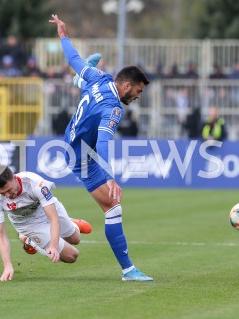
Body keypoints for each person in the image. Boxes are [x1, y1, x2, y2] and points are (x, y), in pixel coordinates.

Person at [49, 14, 153, 282]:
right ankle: (128, 270)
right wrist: (109, 176)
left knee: (84, 74)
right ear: (127, 85)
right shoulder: (114, 108)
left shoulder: (101, 77)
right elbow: (104, 142)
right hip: (81, 154)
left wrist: (63, 34)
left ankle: (79, 84)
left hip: (72, 138)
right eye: (138, 92)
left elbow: (74, 60)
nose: (138, 97)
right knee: (113, 208)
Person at [0, 166, 93, 281]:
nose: (7, 196)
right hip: (28, 225)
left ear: (14, 178)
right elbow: (1, 236)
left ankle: (72, 222)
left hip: (48, 210)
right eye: (2, 193)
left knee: (75, 239)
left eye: (9, 190)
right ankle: (28, 239)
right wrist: (7, 266)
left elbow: (53, 218)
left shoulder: (34, 183)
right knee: (72, 256)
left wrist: (53, 245)